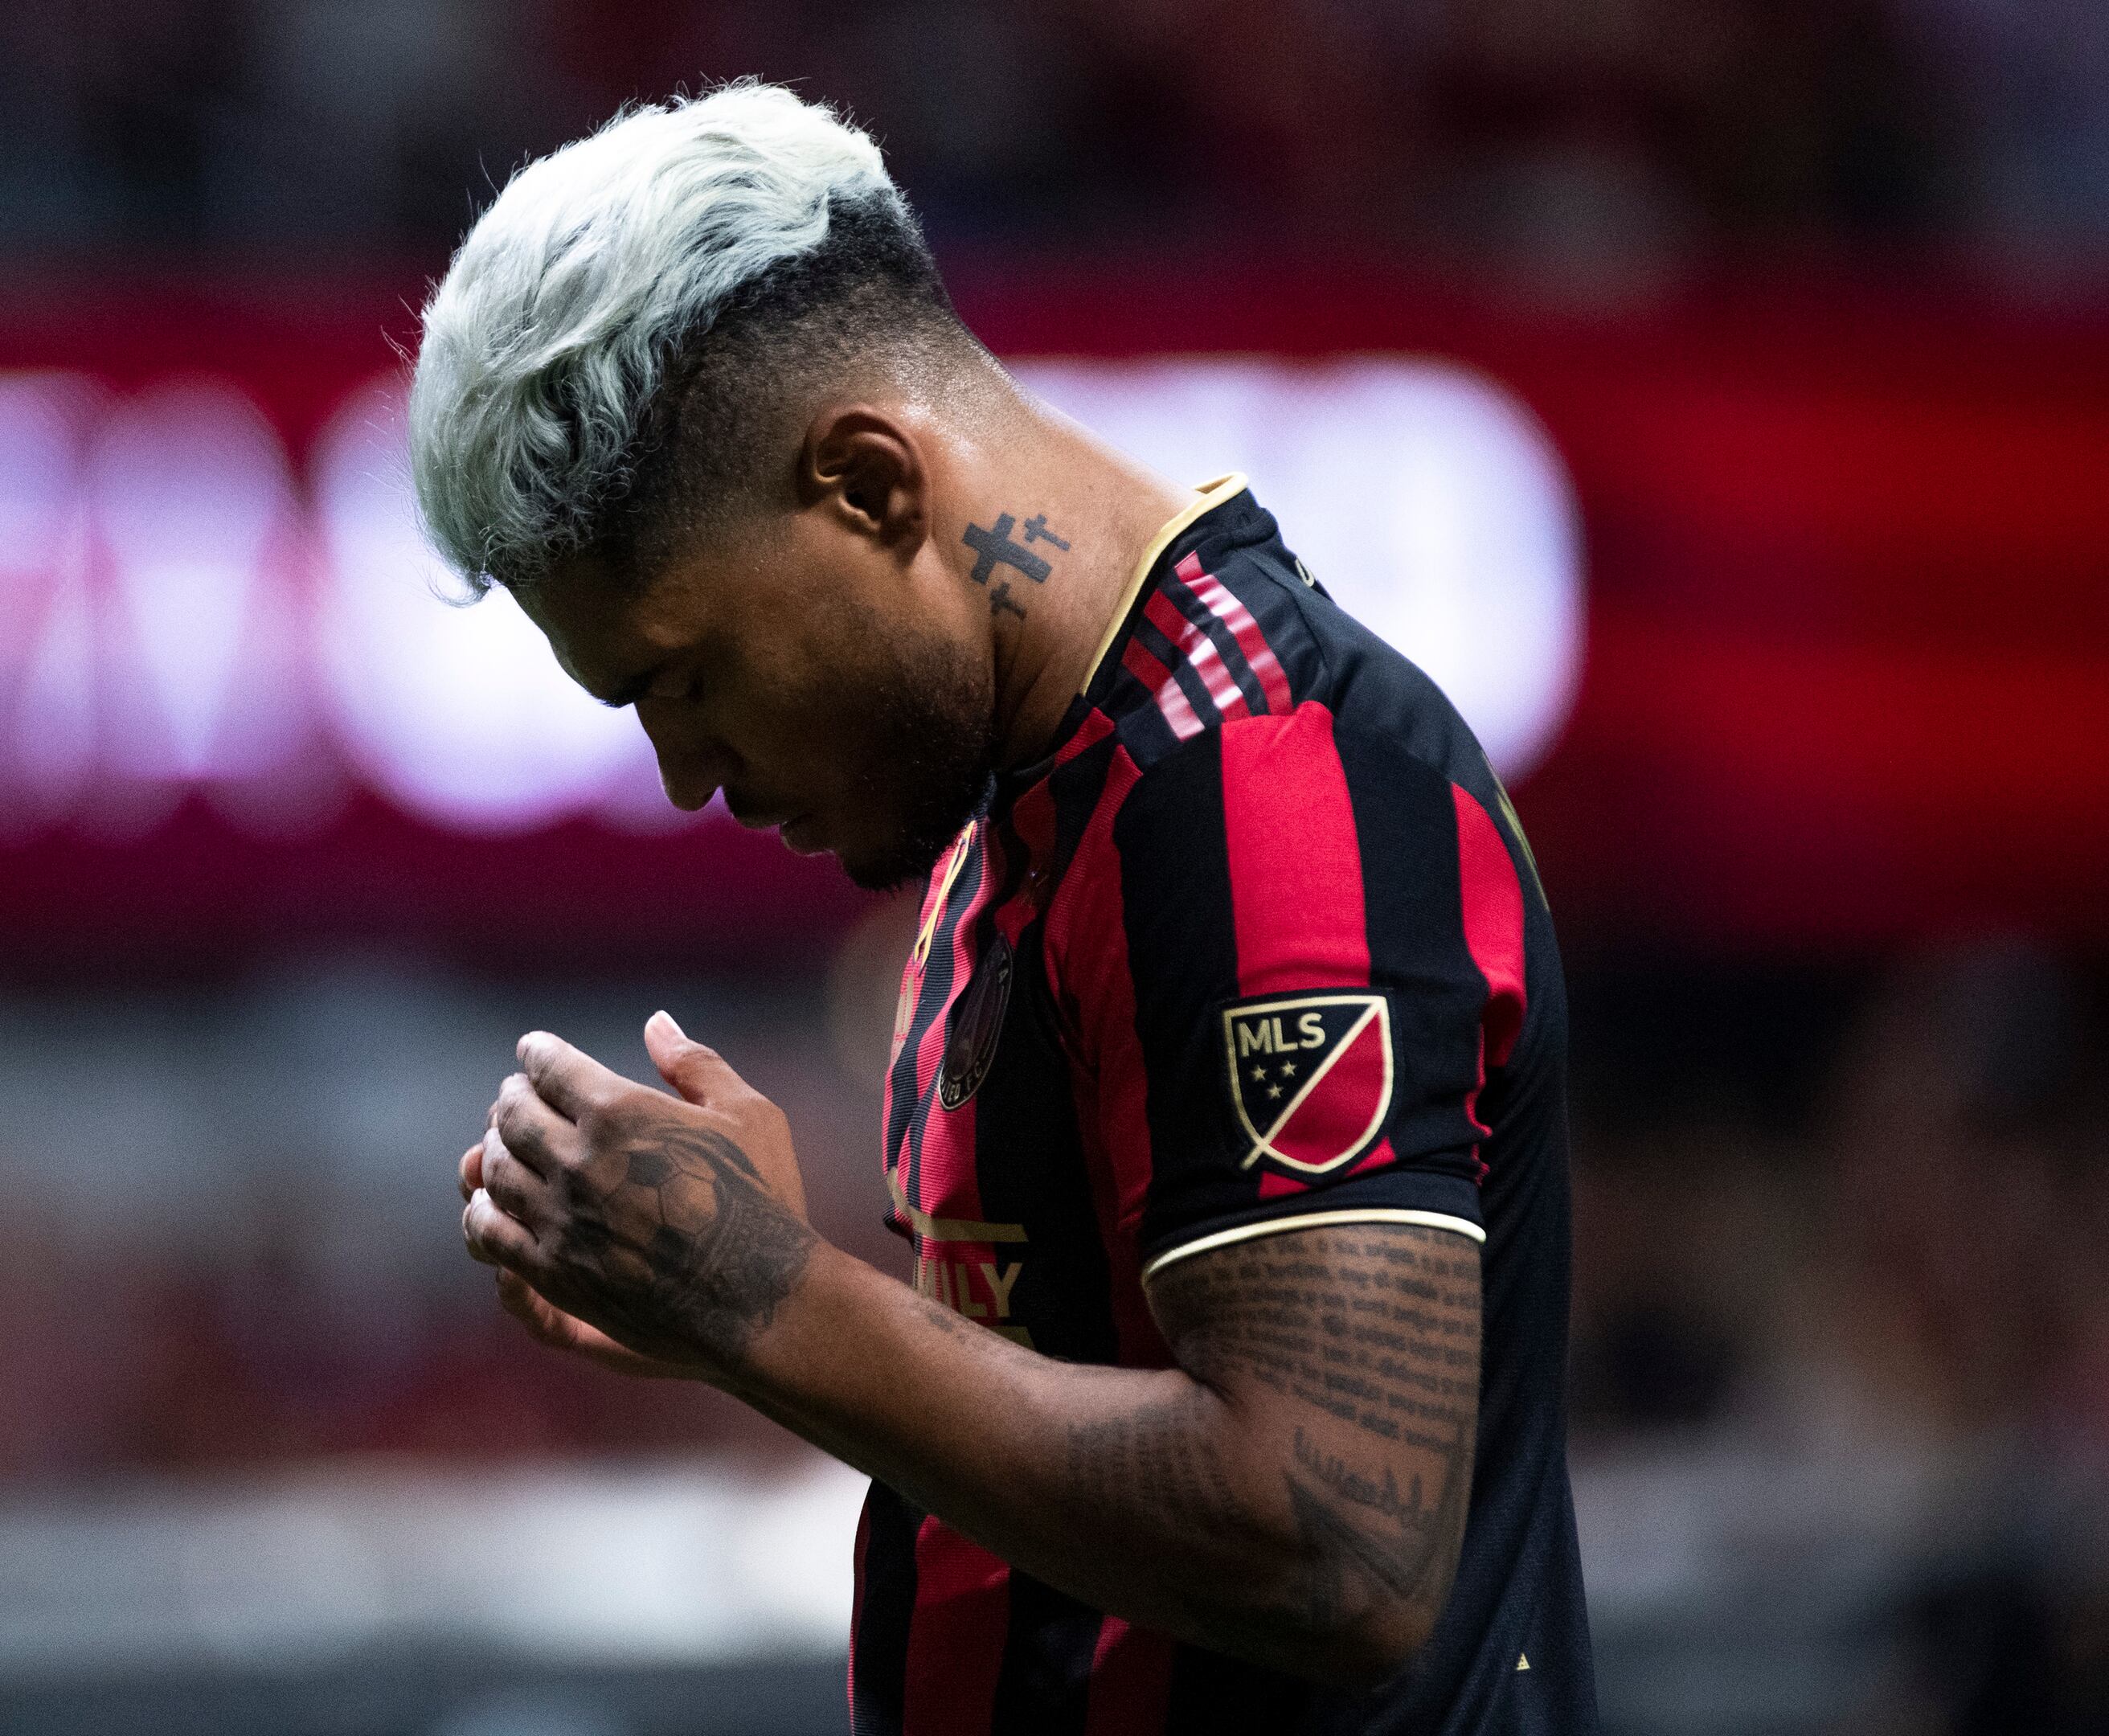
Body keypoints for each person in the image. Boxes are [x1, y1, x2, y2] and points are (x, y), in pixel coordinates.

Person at [417, 84, 1591, 1734]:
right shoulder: (1017, 820)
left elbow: (1338, 1538)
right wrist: (752, 1311)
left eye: (684, 676)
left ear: (869, 485)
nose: (684, 775)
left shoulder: (1262, 787)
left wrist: (773, 1301)